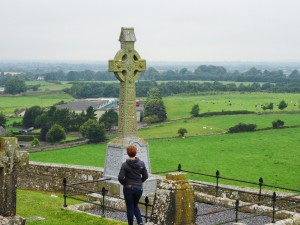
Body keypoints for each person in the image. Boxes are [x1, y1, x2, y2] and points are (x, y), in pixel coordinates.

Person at [118, 145, 148, 225]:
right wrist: (139, 182)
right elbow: (145, 176)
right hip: (139, 188)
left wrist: (126, 183)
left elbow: (120, 178)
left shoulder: (124, 165)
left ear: (127, 153)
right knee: (135, 205)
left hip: (128, 188)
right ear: (136, 152)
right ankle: (140, 222)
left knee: (130, 207)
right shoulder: (141, 163)